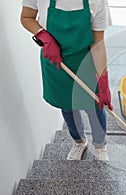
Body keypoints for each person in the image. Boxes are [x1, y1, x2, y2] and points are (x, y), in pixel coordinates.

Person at [20, 0, 113, 160]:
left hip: (85, 61)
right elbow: (27, 17)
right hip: (56, 62)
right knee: (67, 106)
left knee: (94, 107)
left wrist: (103, 84)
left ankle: (100, 145)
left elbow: (98, 42)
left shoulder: (97, 1)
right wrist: (43, 36)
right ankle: (79, 142)